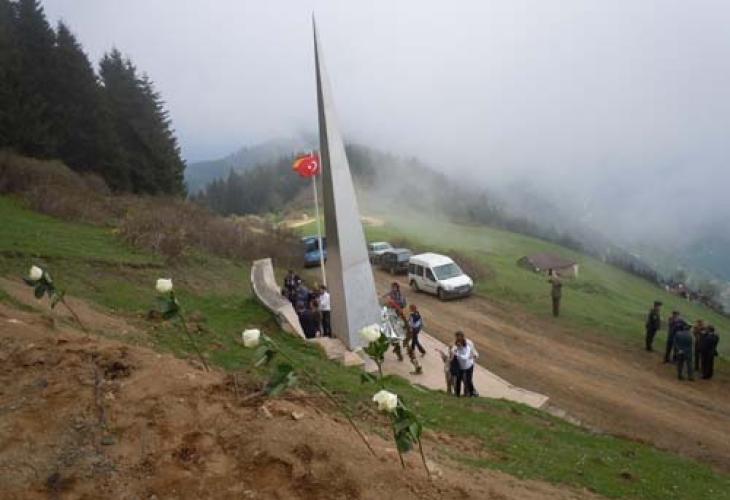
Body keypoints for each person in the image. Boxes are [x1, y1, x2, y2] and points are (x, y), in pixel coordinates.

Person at [452, 331, 478, 397]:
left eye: (459, 336)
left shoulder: (469, 343)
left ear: (462, 336)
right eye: (456, 336)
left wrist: (474, 356)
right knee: (458, 380)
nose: (457, 338)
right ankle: (457, 395)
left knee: (468, 380)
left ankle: (471, 393)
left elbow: (471, 354)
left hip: (469, 365)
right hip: (460, 366)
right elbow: (453, 350)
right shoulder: (455, 344)